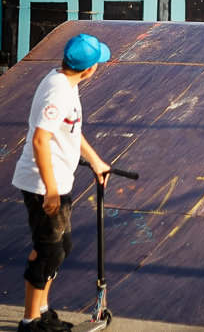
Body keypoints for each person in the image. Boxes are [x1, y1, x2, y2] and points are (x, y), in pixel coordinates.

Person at [12, 33, 111, 332]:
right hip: (43, 184)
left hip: (55, 182)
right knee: (48, 250)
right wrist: (51, 190)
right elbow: (41, 140)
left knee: (60, 247)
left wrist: (96, 161)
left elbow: (70, 129)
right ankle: (30, 322)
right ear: (90, 69)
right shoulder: (59, 92)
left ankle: (42, 312)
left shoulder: (65, 81)